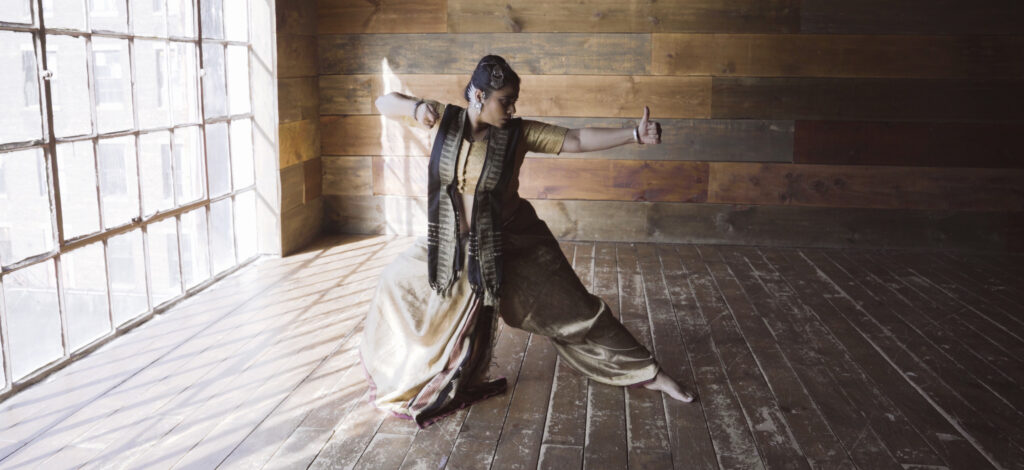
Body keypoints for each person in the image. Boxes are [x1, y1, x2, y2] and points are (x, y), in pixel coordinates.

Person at [361, 55, 694, 428]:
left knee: (578, 312)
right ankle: (423, 375)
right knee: (393, 282)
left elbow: (577, 140)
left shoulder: (518, 134)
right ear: (478, 94)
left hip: (514, 242)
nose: (512, 108)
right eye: (505, 100)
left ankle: (648, 373)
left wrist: (633, 134)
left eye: (513, 100)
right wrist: (417, 106)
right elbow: (383, 103)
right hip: (453, 245)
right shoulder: (444, 119)